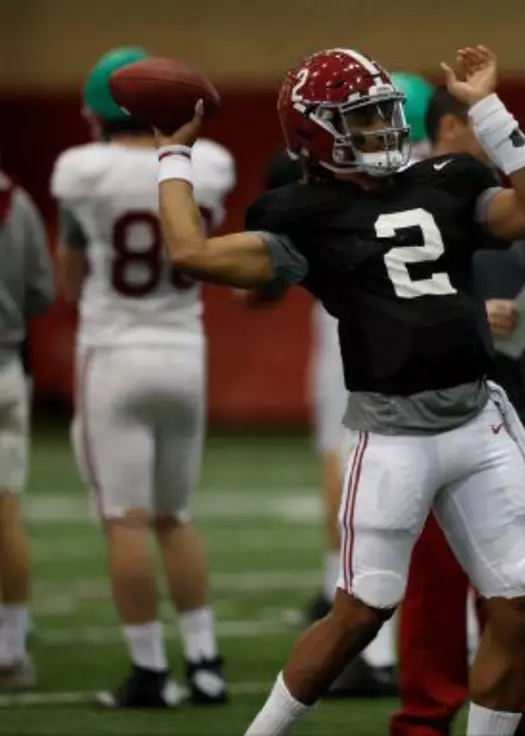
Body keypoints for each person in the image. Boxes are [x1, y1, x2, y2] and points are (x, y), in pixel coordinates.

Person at [151, 45, 525, 736]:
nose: (383, 132)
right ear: (318, 132)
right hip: (393, 431)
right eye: (362, 120)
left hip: (477, 419)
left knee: (520, 600)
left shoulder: (448, 178)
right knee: (361, 610)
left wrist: (487, 108)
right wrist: (173, 156)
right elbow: (191, 253)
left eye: (383, 116)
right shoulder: (302, 213)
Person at [51, 46, 235, 708]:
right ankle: (208, 661)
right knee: (175, 516)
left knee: (125, 520)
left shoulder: (83, 169)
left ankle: (150, 671)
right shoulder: (208, 165)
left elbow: (70, 277)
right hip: (186, 347)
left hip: (116, 352)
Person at [391, 85, 525, 736]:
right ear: (447, 127)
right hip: (432, 415)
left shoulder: (503, 204)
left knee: (521, 583)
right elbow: (386, 314)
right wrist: (473, 319)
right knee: (434, 586)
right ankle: (425, 714)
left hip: (511, 409)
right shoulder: (405, 203)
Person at [299, 72, 437, 698]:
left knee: (350, 462)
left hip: (361, 326)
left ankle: (360, 629)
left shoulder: (345, 179)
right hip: (438, 332)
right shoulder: (449, 177)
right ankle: (440, 631)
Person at [0, 171, 55, 689]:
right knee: (6, 513)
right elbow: (41, 291)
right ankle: (11, 648)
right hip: (6, 369)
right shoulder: (16, 198)